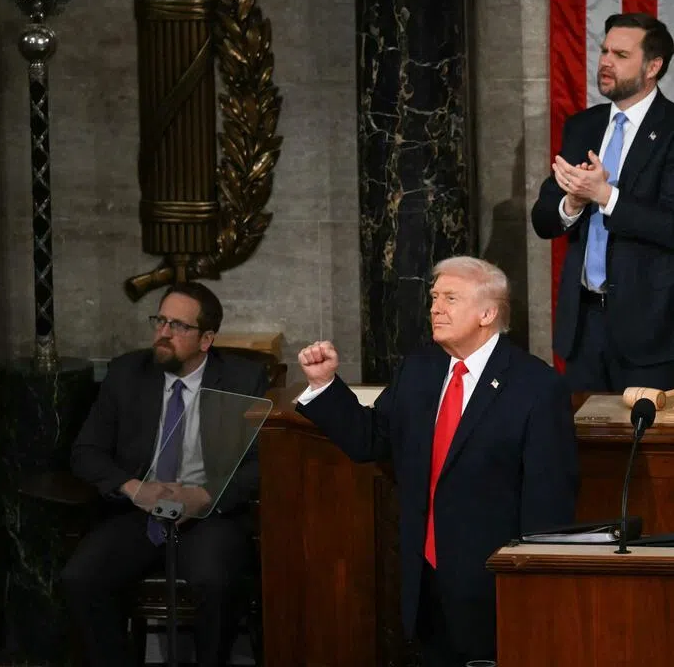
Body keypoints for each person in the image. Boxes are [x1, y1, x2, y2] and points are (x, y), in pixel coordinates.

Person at [295, 256, 579, 667]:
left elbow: (549, 504)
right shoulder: (421, 368)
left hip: (493, 591)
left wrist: (529, 589)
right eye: (434, 297)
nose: (435, 308)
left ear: (488, 313)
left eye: (450, 297)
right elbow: (371, 440)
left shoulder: (536, 387)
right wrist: (324, 385)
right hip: (424, 582)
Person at [62, 282, 269, 667]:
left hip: (208, 514)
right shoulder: (127, 373)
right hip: (139, 511)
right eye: (160, 321)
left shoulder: (244, 380)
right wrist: (132, 488)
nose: (163, 333)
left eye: (178, 326)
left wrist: (205, 496)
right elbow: (85, 451)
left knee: (216, 581)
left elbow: (262, 464)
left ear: (206, 339)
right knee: (81, 578)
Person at [531, 11, 674, 393]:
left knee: (645, 449)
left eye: (620, 54)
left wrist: (605, 195)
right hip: (584, 328)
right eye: (603, 51)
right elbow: (544, 221)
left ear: (653, 66)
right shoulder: (583, 126)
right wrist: (574, 203)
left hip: (654, 331)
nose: (605, 62)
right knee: (585, 449)